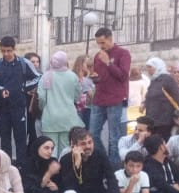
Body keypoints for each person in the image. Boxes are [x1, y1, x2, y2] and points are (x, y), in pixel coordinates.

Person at [89, 27, 132, 166]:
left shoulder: (123, 54)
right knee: (92, 134)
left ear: (110, 38)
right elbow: (100, 77)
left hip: (115, 99)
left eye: (103, 42)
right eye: (98, 43)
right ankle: (104, 161)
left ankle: (114, 168)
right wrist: (94, 78)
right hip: (99, 98)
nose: (101, 46)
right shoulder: (97, 56)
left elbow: (123, 76)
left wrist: (108, 63)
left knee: (114, 137)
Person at [37, 51, 83, 155]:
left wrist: (43, 108)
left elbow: (42, 97)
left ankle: (52, 166)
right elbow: (77, 96)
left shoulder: (46, 76)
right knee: (66, 149)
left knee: (50, 149)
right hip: (68, 118)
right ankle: (64, 165)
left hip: (50, 117)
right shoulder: (72, 76)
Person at [143, 57, 179, 139]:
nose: (148, 69)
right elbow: (150, 96)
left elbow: (177, 98)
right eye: (147, 67)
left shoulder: (168, 79)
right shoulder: (153, 80)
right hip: (152, 120)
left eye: (150, 67)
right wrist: (144, 103)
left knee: (163, 142)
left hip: (164, 120)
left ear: (158, 66)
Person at [72, 54, 95, 127]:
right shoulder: (80, 79)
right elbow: (91, 95)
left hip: (85, 109)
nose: (89, 66)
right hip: (81, 110)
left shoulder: (88, 78)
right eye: (86, 63)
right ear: (81, 64)